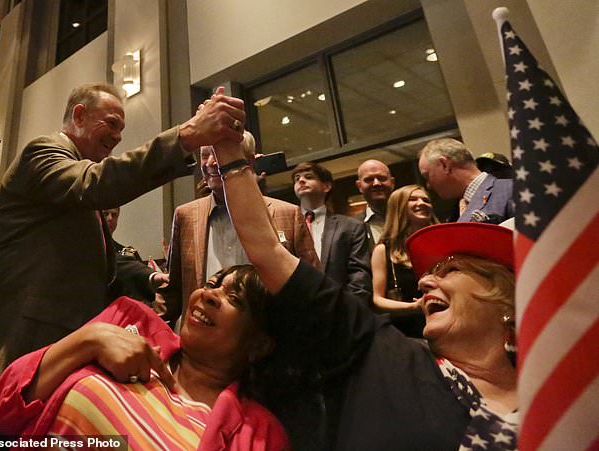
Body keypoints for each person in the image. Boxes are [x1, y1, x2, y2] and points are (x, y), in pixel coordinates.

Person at [0, 82, 246, 432]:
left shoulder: (74, 176)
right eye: (111, 124)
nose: (117, 137)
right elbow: (98, 183)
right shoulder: (43, 151)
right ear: (79, 115)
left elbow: (101, 259)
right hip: (17, 355)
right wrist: (187, 135)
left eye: (121, 130)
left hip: (54, 362)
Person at [212, 136, 518, 450]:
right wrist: (231, 154)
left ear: (504, 296)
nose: (426, 282)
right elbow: (268, 251)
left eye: (450, 270)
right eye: (429, 274)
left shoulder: (558, 395)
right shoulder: (381, 350)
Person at [0, 267, 289, 450]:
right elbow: (5, 409)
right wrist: (89, 340)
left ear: (259, 345)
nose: (209, 295)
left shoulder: (260, 434)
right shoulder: (131, 321)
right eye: (212, 284)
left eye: (234, 299)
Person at [156, 131, 319, 325]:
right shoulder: (186, 215)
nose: (210, 163)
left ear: (249, 161)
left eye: (218, 153)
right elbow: (172, 291)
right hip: (204, 340)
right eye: (205, 154)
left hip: (270, 339)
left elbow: (313, 288)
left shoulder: (288, 214)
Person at [292, 161, 371, 304]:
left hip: (340, 310)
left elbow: (359, 276)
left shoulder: (351, 227)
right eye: (297, 179)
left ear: (326, 186)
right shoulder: (285, 226)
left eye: (309, 177)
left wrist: (346, 311)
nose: (301, 181)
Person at [371, 184, 438, 337]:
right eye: (413, 199)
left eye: (426, 200)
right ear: (399, 207)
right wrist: (414, 306)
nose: (421, 203)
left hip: (444, 322)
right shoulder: (383, 250)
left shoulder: (442, 242)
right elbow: (378, 299)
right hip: (407, 330)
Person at [418, 138, 514, 224]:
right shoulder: (454, 214)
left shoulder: (512, 190)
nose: (428, 185)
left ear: (444, 165)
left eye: (427, 176)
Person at [104, 206, 169, 306]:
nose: (110, 218)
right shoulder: (88, 250)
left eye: (114, 215)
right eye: (105, 214)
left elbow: (141, 286)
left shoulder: (128, 252)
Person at [354, 159, 395, 247]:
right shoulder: (351, 226)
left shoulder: (410, 216)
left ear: (392, 183)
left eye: (382, 178)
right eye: (369, 179)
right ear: (359, 186)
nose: (376, 183)